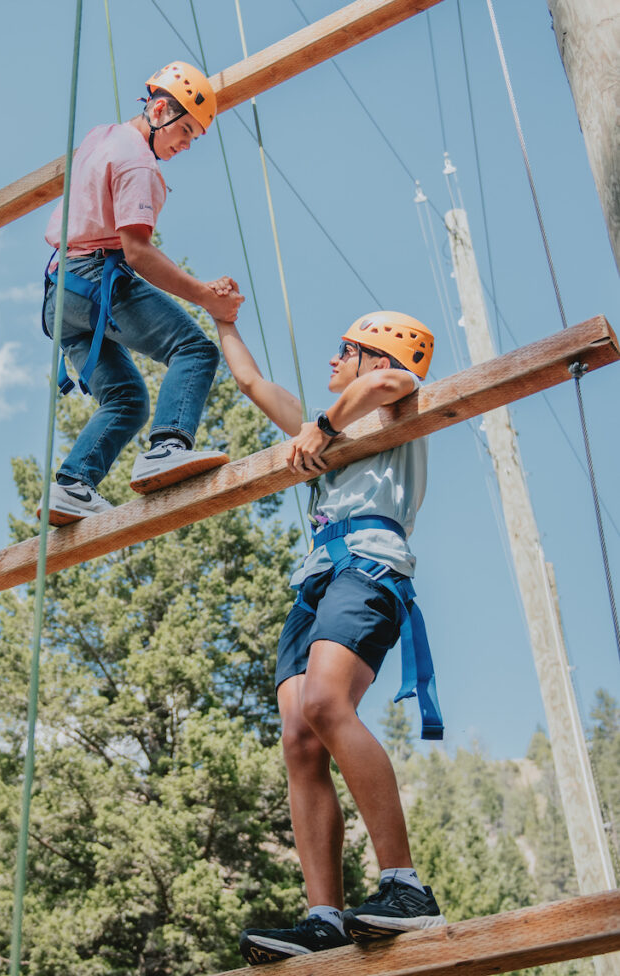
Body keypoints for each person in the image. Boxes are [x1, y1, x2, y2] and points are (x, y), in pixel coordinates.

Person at [215, 311, 446, 965]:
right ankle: (324, 917)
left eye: (344, 350)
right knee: (298, 738)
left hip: (368, 566)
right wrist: (222, 321)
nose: (331, 362)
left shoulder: (393, 399)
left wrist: (322, 425)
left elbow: (388, 385)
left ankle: (405, 887)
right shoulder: (325, 428)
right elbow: (253, 383)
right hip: (316, 580)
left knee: (324, 703)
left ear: (376, 357)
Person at [40, 61, 244, 526]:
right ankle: (168, 447)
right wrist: (206, 298)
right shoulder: (139, 164)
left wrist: (201, 287)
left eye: (194, 137)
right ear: (158, 110)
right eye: (185, 130)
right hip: (94, 281)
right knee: (194, 350)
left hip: (61, 296)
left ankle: (72, 485)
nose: (186, 145)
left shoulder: (102, 136)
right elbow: (137, 253)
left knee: (128, 399)